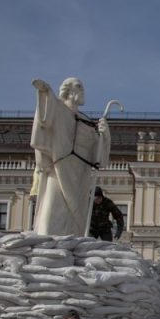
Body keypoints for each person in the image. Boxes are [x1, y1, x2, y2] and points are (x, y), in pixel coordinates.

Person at [30, 77, 111, 237]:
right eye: (79, 88)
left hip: (80, 175)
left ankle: (71, 249)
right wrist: (45, 93)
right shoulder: (59, 110)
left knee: (75, 218)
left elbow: (97, 157)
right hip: (59, 169)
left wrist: (104, 135)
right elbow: (44, 121)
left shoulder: (86, 122)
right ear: (69, 90)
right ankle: (48, 246)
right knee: (52, 211)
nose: (83, 93)